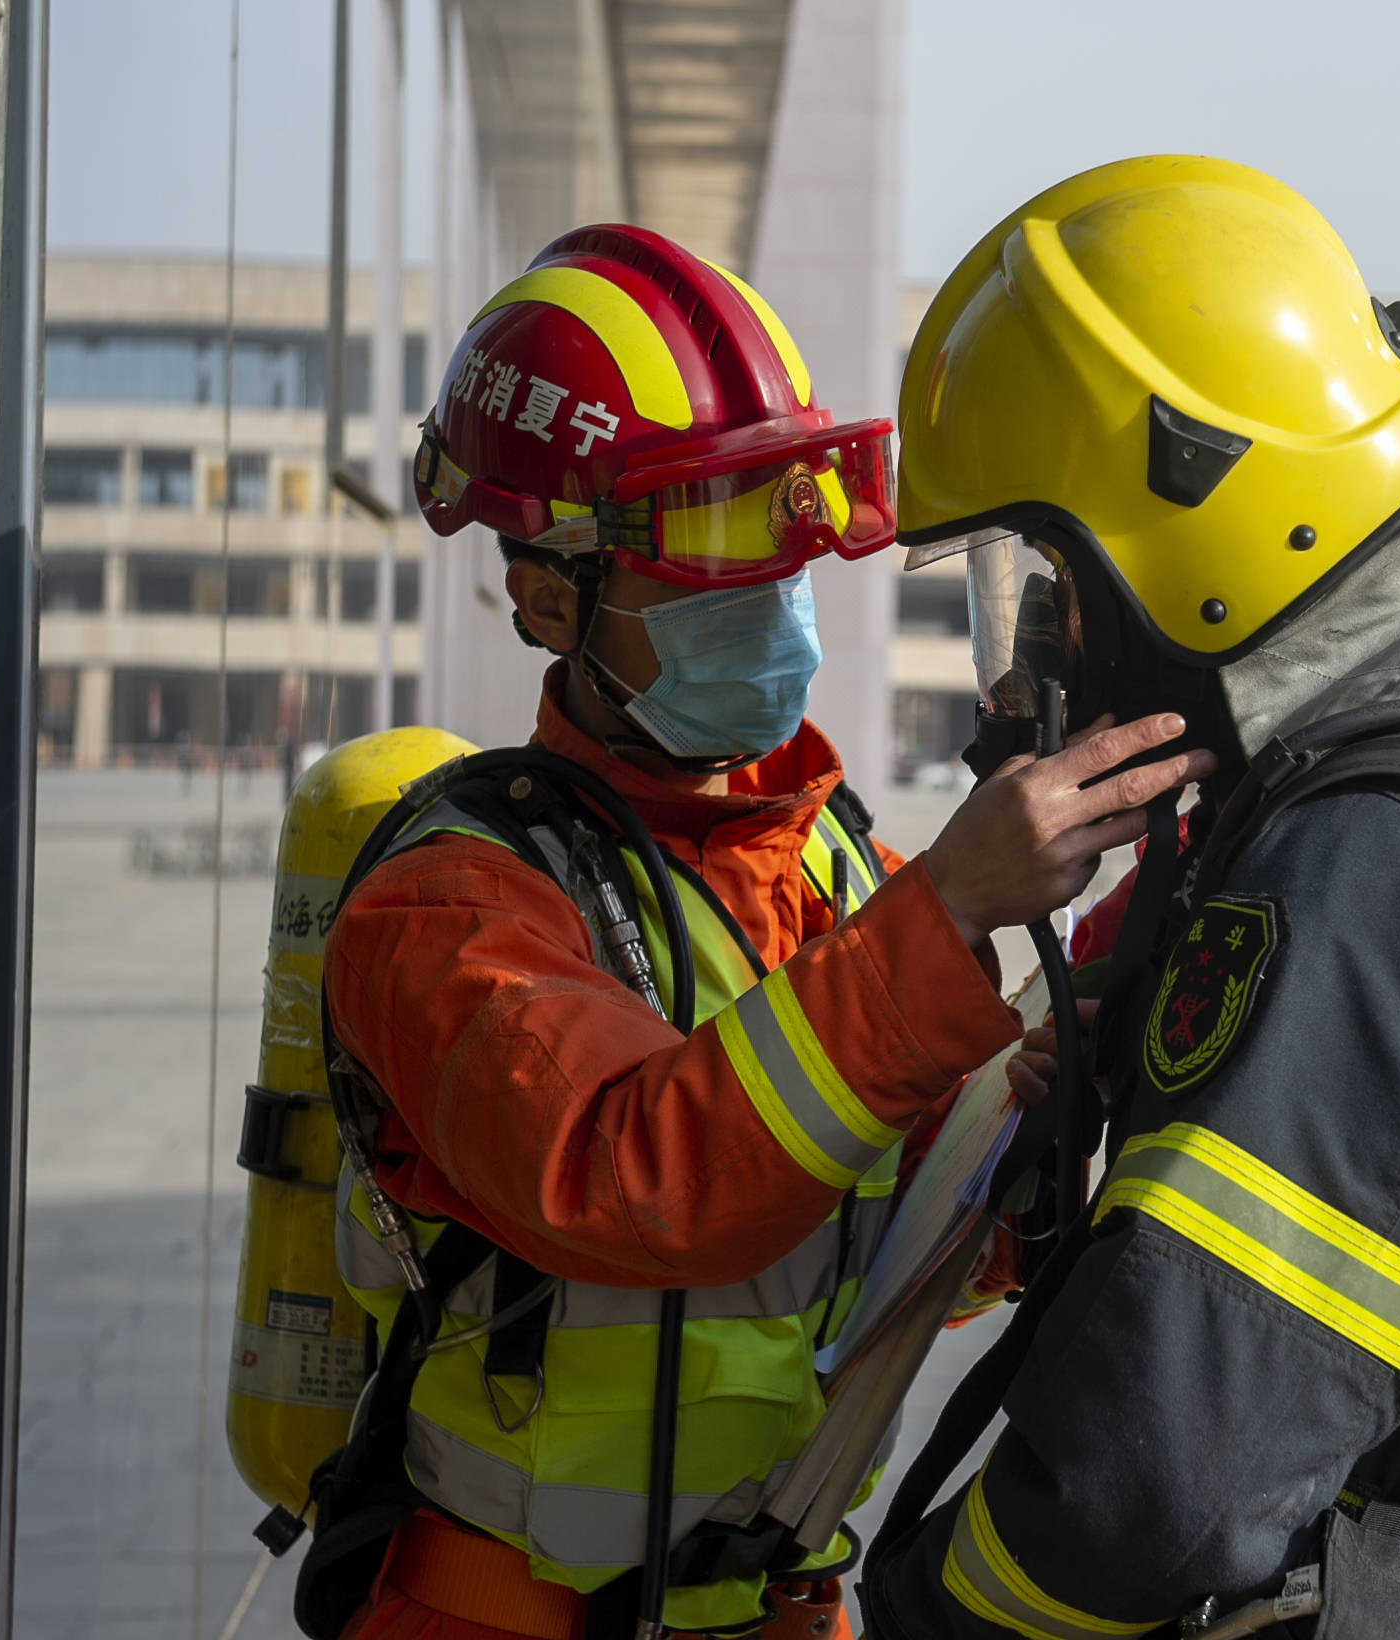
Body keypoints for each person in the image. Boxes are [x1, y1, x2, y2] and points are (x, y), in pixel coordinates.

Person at [863, 158, 1400, 1640]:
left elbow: (1158, 1489)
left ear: (1196, 520)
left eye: (1049, 570)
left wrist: (932, 1613)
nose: (1035, 640)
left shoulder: (1372, 877)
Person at [315, 225, 1212, 1640]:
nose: (772, 618)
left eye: (784, 567)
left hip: (787, 1613)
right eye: (710, 578)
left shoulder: (842, 871)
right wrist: (953, 911)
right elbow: (634, 1178)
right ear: (546, 592)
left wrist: (1041, 1107)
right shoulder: (453, 902)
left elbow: (879, 1245)